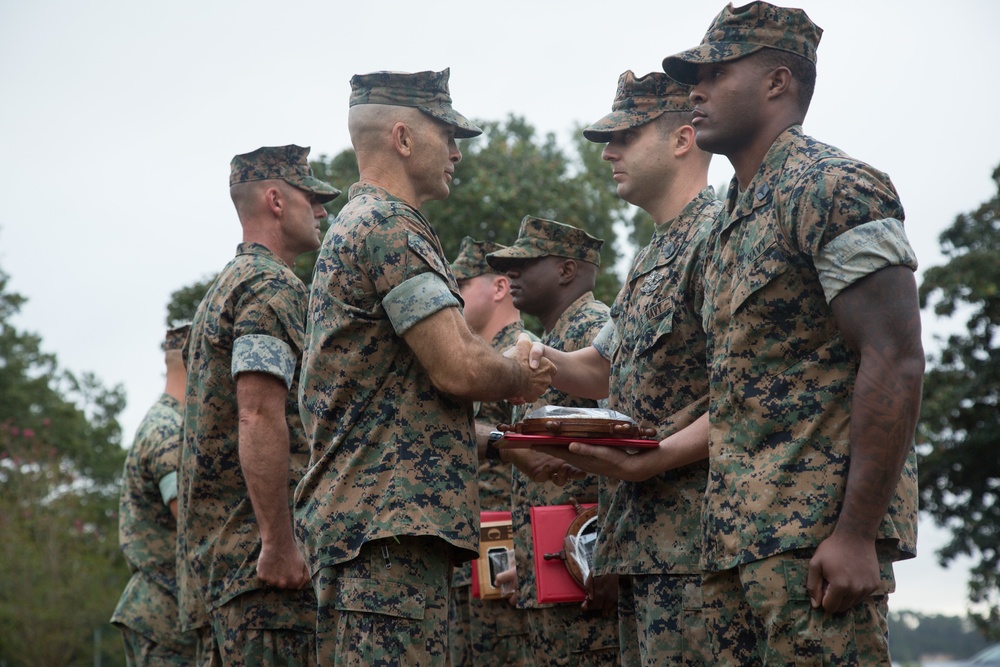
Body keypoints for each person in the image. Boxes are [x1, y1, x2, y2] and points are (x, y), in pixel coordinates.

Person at [660, 2, 924, 664]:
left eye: (716, 72)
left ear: (778, 82)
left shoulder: (834, 187)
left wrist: (858, 532)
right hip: (733, 547)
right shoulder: (726, 222)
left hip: (815, 550)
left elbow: (895, 357)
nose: (696, 89)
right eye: (695, 75)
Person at [292, 69, 556, 665]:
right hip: (386, 536)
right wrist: (524, 376)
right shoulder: (388, 227)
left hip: (380, 531)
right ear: (404, 138)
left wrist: (501, 444)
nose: (458, 152)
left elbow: (401, 408)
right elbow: (457, 369)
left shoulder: (368, 226)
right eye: (448, 134)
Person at [529, 70, 722, 666]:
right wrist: (542, 361)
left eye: (626, 137)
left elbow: (749, 388)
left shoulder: (717, 235)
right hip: (641, 544)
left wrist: (657, 459)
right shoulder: (651, 254)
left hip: (697, 545)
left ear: (682, 139)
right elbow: (602, 369)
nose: (609, 153)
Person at [177, 144, 340, 666]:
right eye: (311, 197)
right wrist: (279, 542)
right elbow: (258, 413)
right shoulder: (268, 287)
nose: (321, 210)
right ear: (275, 199)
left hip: (230, 566)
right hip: (264, 570)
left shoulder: (222, 289)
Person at [485, 218, 619, 666]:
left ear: (566, 270)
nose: (512, 275)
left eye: (524, 264)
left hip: (588, 572)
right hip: (555, 570)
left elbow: (625, 445)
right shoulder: (552, 340)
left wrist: (608, 553)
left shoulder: (592, 331)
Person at [448, 236, 533, 667]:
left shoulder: (524, 354)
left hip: (508, 558)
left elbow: (547, 463)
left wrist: (530, 555)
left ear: (499, 288)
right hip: (474, 556)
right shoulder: (478, 360)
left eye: (460, 284)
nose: (451, 295)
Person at [112, 322, 198, 665]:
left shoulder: (166, 421)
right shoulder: (169, 431)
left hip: (164, 613)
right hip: (165, 619)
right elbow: (190, 520)